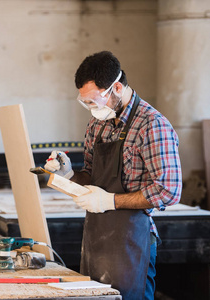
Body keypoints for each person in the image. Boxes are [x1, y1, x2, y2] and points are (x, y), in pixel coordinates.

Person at [44, 51, 182, 300]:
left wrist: (111, 201)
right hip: (96, 237)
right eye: (85, 103)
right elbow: (91, 178)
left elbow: (168, 191)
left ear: (116, 88)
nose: (92, 109)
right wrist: (69, 175)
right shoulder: (98, 123)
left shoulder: (152, 125)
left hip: (131, 240)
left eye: (95, 102)